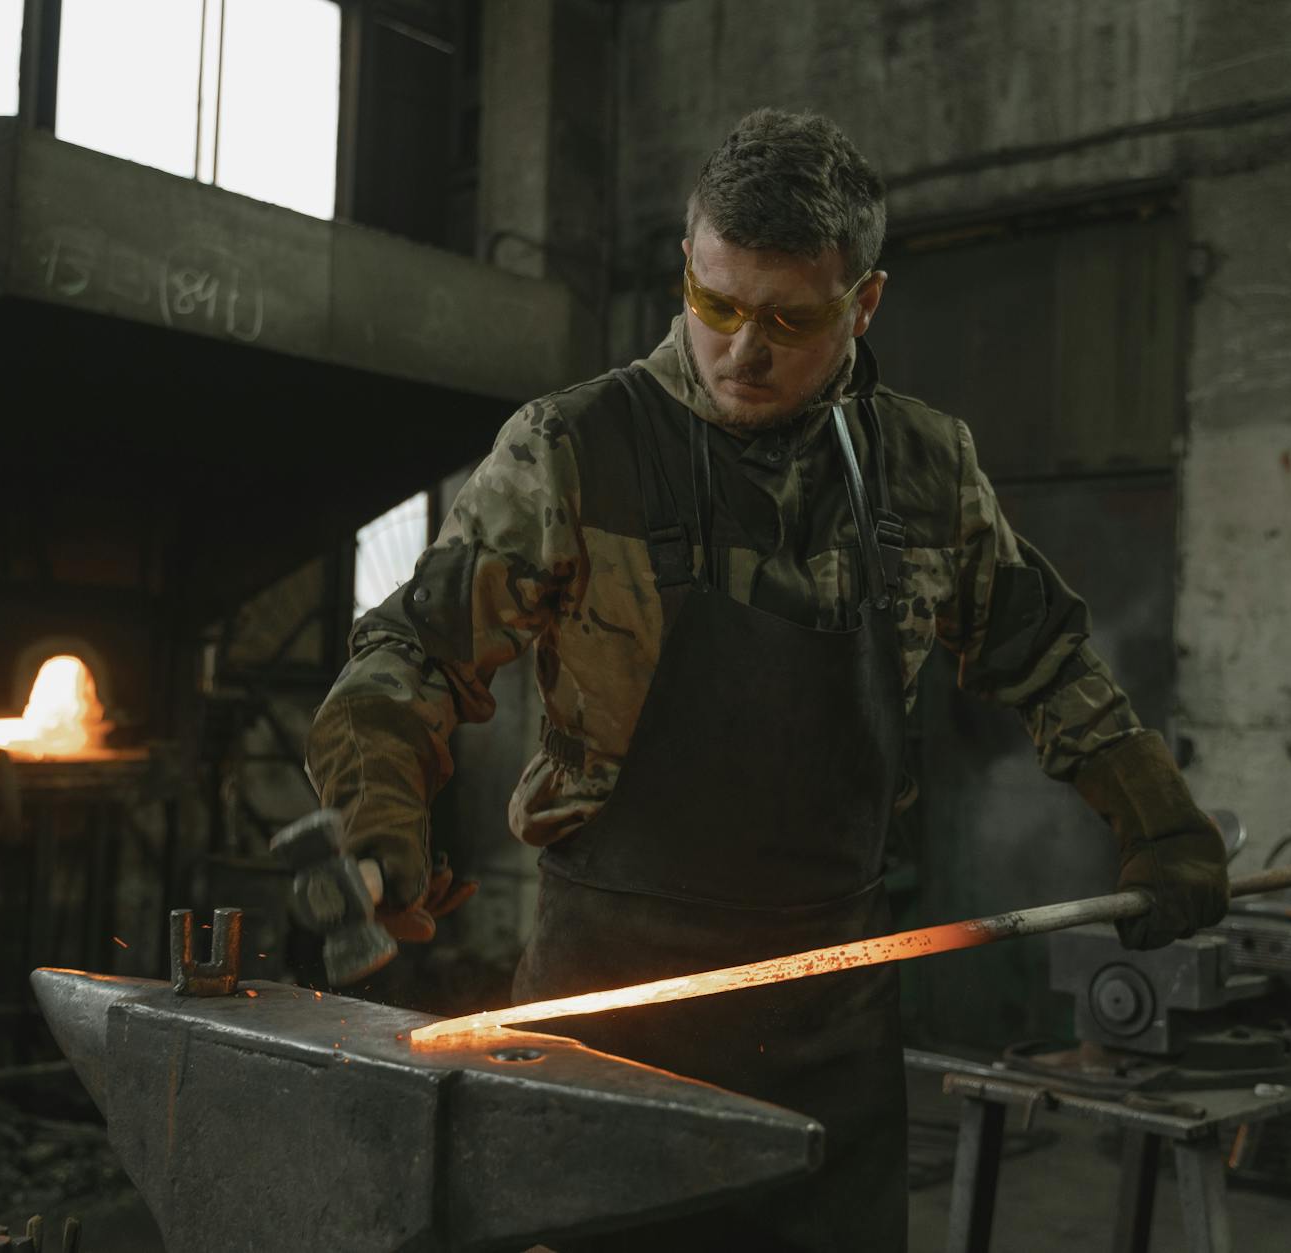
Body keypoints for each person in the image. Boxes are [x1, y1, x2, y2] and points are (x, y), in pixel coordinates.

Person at [305, 107, 1228, 1253]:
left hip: (828, 1005)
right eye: (716, 304)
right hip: (614, 1007)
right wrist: (379, 799)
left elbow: (1042, 656)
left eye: (789, 319)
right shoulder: (573, 450)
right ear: (685, 267)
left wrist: (1157, 816)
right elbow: (411, 649)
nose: (742, 348)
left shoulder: (921, 466)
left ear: (864, 304)